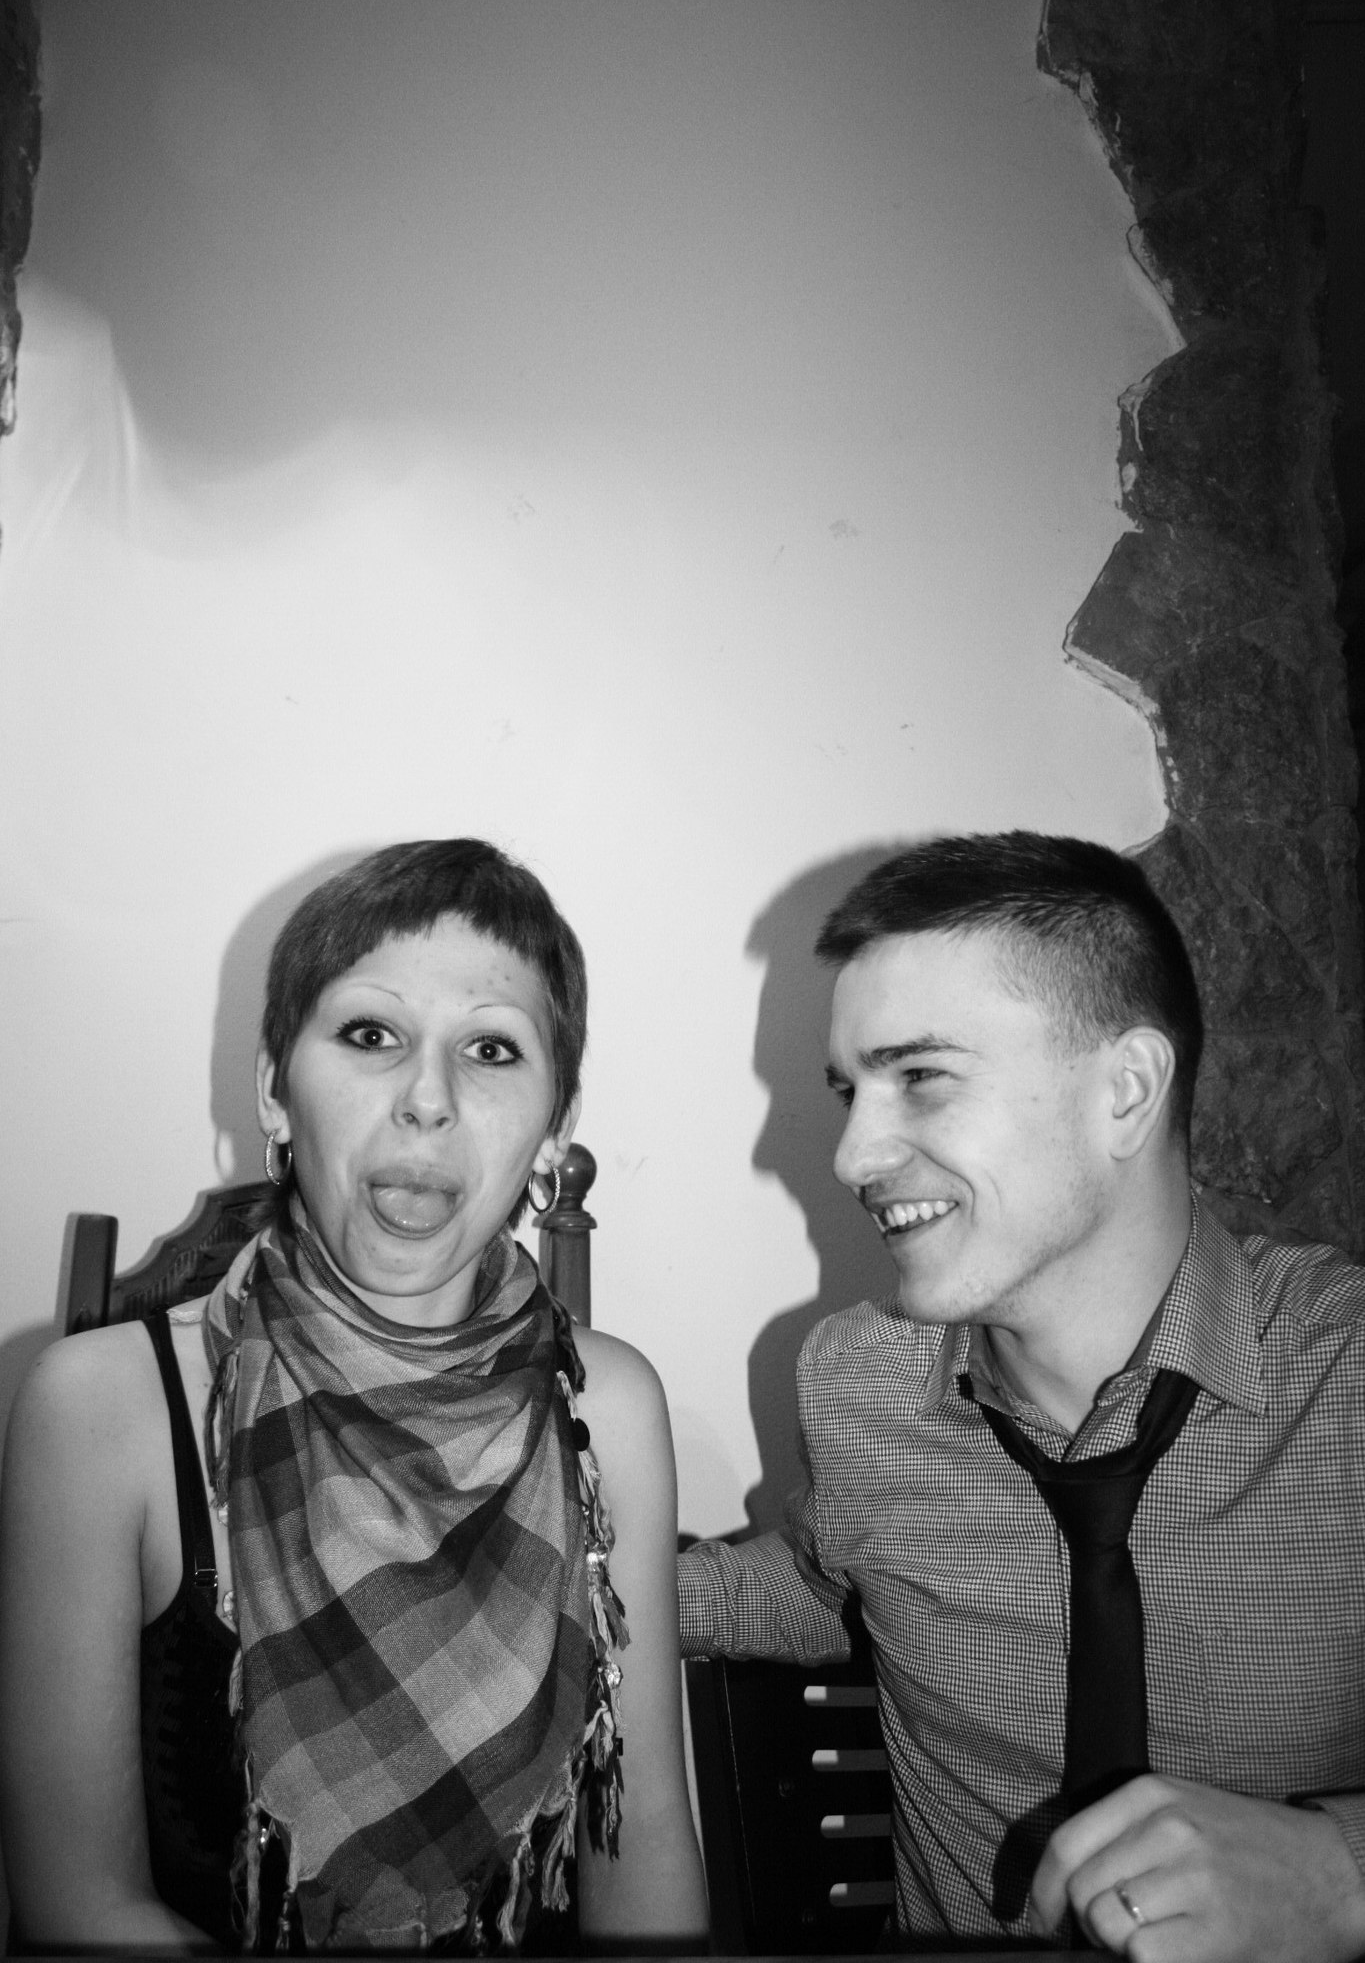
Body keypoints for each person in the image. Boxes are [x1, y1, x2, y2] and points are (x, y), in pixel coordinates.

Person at [0, 838, 707, 1953]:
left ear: (556, 1127)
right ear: (275, 1091)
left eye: (491, 1048)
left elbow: (645, 1840)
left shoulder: (608, 1404)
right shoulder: (99, 1411)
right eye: (371, 1034)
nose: (427, 1099)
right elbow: (79, 1902)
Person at [678, 831, 1365, 1961]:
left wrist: (1341, 1875)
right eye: (851, 1090)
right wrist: (570, 1581)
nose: (851, 1154)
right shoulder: (859, 1379)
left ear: (1125, 1091)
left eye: (920, 1077)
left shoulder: (1343, 1380)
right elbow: (823, 1577)